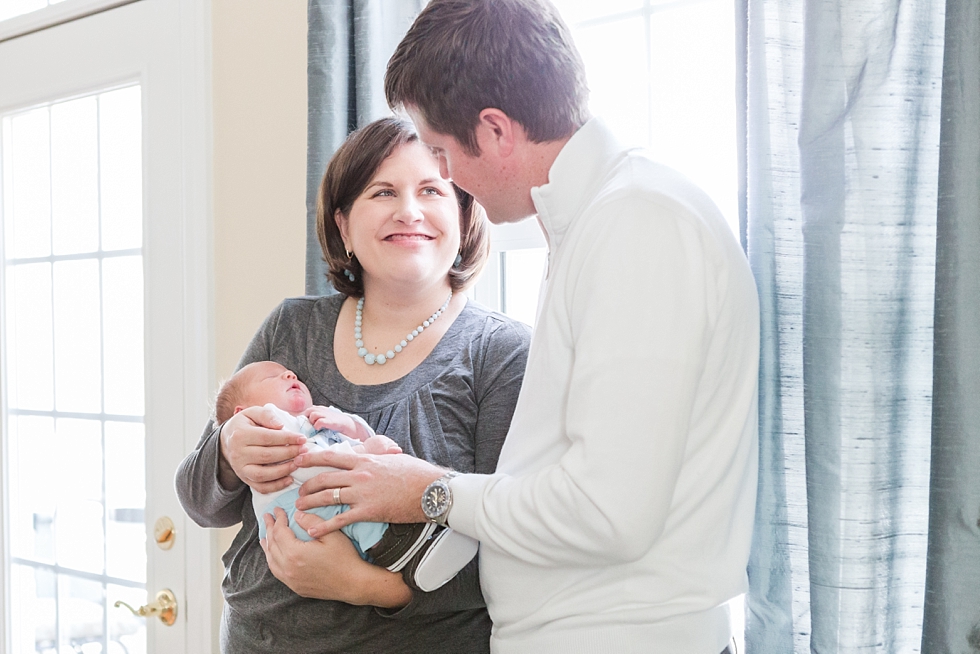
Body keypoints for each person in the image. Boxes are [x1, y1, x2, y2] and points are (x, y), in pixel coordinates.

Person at [286, 1, 761, 653]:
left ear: (497, 131)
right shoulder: (597, 224)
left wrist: (430, 493)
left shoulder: (636, 227)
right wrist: (406, 478)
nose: (447, 179)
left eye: (444, 154)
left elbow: (606, 513)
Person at [175, 116, 531, 654]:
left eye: (431, 190)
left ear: (463, 215)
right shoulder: (290, 328)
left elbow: (519, 544)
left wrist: (370, 587)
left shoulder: (502, 354)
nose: (408, 210)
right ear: (343, 225)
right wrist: (227, 449)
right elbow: (202, 504)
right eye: (382, 191)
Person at [214, 359, 480, 591]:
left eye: (291, 373)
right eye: (272, 376)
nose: (290, 375)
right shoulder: (269, 431)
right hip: (295, 513)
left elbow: (357, 442)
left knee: (364, 500)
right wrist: (365, 451)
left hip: (321, 496)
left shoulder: (314, 419)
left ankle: (424, 550)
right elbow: (307, 464)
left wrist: (353, 427)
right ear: (242, 415)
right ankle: (410, 555)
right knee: (357, 512)